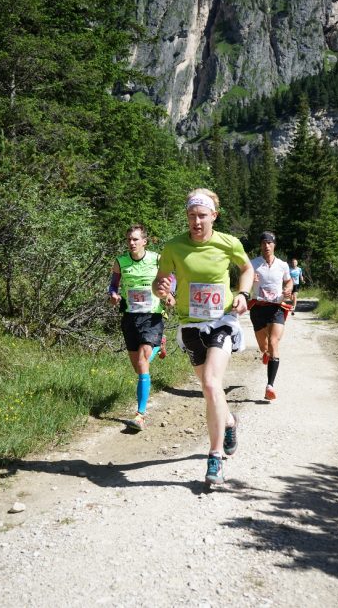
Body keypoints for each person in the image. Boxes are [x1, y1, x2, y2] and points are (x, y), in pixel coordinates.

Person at [152, 188, 254, 485]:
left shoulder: (228, 243)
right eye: (191, 216)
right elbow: (162, 278)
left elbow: (246, 268)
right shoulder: (174, 247)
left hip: (222, 320)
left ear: (214, 216)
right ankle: (230, 421)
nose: (195, 222)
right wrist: (161, 288)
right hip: (190, 325)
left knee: (211, 383)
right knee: (210, 390)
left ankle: (215, 457)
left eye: (201, 216)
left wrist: (243, 293)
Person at [109, 224, 173, 431]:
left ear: (144, 241)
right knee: (138, 367)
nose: (131, 242)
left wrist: (170, 294)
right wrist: (113, 295)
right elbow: (113, 285)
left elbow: (171, 280)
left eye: (136, 239)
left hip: (152, 316)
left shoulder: (157, 259)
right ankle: (159, 343)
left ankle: (140, 415)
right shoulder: (120, 262)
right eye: (129, 239)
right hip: (130, 316)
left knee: (142, 361)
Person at [249, 231, 293, 401]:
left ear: (274, 245)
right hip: (258, 308)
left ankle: (270, 386)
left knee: (274, 342)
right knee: (264, 346)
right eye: (263, 243)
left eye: (269, 243)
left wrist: (288, 289)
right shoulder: (253, 264)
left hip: (276, 308)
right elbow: (241, 283)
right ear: (260, 245)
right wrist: (249, 280)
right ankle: (265, 352)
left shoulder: (282, 265)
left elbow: (288, 281)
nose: (266, 246)